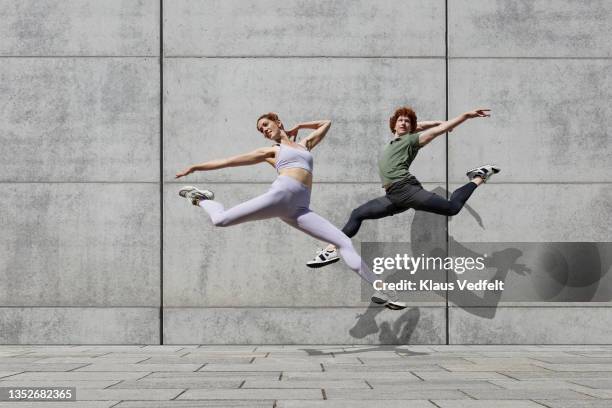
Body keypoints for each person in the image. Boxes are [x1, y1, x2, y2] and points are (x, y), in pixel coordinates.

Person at [175, 113, 406, 310]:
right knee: (220, 220)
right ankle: (202, 199)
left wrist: (299, 127)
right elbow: (228, 161)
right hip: (280, 196)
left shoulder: (304, 145)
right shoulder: (272, 151)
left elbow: (326, 123)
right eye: (260, 129)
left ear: (278, 122)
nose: (264, 130)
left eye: (266, 125)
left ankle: (384, 291)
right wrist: (196, 167)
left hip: (299, 209)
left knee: (344, 242)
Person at [306, 106, 499, 267]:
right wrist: (438, 122)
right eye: (400, 120)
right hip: (393, 196)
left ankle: (479, 176)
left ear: (411, 127)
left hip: (407, 189)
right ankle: (330, 251)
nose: (404, 123)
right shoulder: (395, 140)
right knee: (358, 213)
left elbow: (435, 131)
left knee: (452, 208)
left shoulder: (412, 140)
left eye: (407, 121)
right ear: (394, 124)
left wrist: (464, 116)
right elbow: (424, 124)